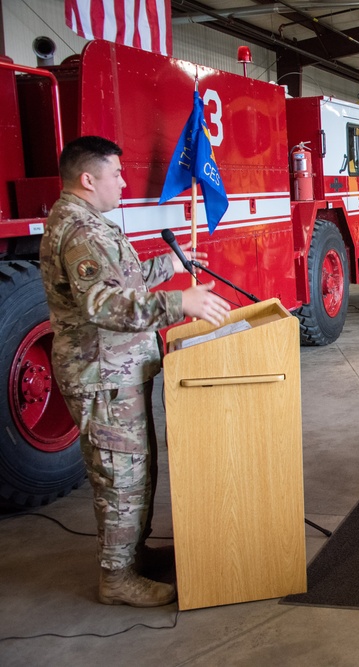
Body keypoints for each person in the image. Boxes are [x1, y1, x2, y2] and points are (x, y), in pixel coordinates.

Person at [39, 136, 232, 607]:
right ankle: (117, 577)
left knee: (135, 472)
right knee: (120, 479)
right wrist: (178, 302)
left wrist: (170, 264)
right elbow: (101, 304)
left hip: (117, 372)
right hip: (102, 376)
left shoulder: (89, 224)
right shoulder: (82, 229)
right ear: (88, 179)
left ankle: (132, 555)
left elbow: (116, 281)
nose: (124, 182)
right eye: (117, 174)